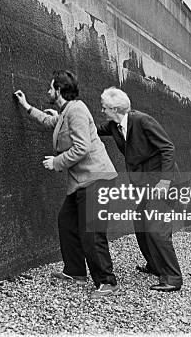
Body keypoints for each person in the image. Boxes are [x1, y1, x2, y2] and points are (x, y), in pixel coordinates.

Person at [14, 70, 119, 298]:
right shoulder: (67, 111)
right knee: (66, 222)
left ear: (59, 91)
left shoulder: (77, 111)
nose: (48, 91)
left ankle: (107, 282)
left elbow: (82, 147)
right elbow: (50, 121)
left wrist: (56, 162)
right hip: (82, 182)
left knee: (91, 232)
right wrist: (27, 106)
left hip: (96, 179)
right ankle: (76, 271)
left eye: (51, 88)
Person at [96, 87, 182, 292]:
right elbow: (91, 129)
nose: (102, 111)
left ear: (115, 108)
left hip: (163, 182)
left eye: (104, 108)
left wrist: (165, 182)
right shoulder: (115, 126)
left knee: (156, 228)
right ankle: (154, 265)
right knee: (140, 223)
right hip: (146, 184)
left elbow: (168, 148)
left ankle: (173, 277)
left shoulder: (142, 121)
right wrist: (59, 117)